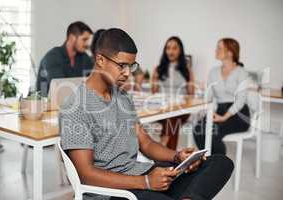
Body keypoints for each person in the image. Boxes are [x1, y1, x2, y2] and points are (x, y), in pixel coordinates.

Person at [60, 28, 233, 200]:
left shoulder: (123, 97)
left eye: (131, 66)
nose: (128, 73)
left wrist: (177, 156)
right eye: (122, 65)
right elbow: (85, 174)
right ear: (100, 60)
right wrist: (146, 182)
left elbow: (146, 144)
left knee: (219, 163)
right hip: (113, 192)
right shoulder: (76, 107)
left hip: (139, 176)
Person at [193, 38, 250, 155]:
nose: (215, 50)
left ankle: (220, 167)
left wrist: (224, 117)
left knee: (213, 132)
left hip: (238, 114)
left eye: (219, 48)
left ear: (230, 52)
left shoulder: (241, 72)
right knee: (198, 130)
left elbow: (240, 100)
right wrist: (207, 107)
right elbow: (208, 97)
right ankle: (209, 163)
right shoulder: (213, 72)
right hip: (219, 110)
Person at [151, 36, 195, 150]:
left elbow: (191, 95)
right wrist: (154, 79)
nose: (171, 51)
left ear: (180, 51)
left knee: (173, 117)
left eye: (174, 48)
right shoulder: (158, 69)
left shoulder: (187, 70)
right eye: (168, 48)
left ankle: (163, 145)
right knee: (171, 119)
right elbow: (154, 94)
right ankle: (171, 157)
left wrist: (191, 81)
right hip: (162, 109)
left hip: (182, 109)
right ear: (165, 51)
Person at [36, 21, 94, 96]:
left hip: (72, 103)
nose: (87, 44)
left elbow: (93, 81)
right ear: (71, 38)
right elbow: (61, 88)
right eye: (84, 39)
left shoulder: (84, 57)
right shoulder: (52, 56)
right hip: (46, 104)